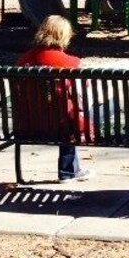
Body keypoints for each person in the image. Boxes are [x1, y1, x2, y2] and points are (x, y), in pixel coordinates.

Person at [16, 15, 96, 183]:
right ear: (64, 36)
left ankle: (70, 170)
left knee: (62, 112)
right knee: (76, 114)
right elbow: (83, 95)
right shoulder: (71, 63)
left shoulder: (23, 61)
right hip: (60, 125)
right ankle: (67, 171)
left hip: (29, 124)